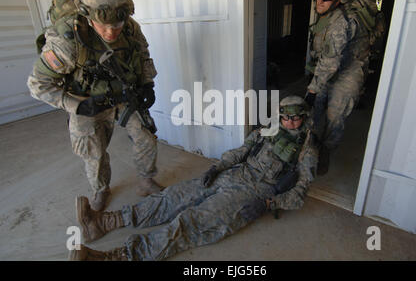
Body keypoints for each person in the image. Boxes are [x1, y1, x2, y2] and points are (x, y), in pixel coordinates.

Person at [68, 96, 319, 261]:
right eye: (286, 116)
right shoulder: (270, 129)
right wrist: (217, 168)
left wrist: (268, 205)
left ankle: (118, 257)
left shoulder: (307, 148)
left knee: (189, 223)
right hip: (234, 175)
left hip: (255, 193)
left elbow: (300, 194)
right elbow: (241, 151)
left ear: (304, 117)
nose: (291, 122)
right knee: (174, 196)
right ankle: (104, 223)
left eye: (296, 117)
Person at [27, 0, 162, 211]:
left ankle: (146, 180)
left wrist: (147, 83)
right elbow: (38, 85)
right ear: (87, 17)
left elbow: (142, 57)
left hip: (122, 97)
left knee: (146, 137)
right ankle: (101, 190)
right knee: (94, 152)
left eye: (117, 25)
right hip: (86, 100)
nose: (112, 32)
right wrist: (75, 105)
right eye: (104, 26)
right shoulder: (67, 41)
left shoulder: (130, 29)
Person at [304, 0, 371, 175]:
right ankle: (308, 148)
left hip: (347, 73)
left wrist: (312, 90)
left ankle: (325, 152)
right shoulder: (327, 15)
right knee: (312, 113)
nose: (320, 1)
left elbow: (331, 62)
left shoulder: (342, 21)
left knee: (335, 117)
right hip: (327, 69)